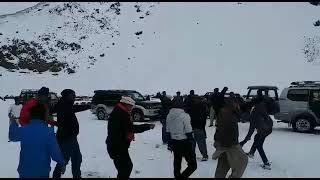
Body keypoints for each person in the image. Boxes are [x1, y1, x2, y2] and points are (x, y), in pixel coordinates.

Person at [9, 103, 66, 178]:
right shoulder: (48, 132)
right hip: (42, 172)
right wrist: (62, 163)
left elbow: (12, 136)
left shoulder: (24, 130)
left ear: (30, 116)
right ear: (43, 116)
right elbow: (55, 152)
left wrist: (13, 123)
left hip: (25, 171)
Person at [106, 96, 155, 179]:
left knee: (123, 169)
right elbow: (131, 128)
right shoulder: (121, 114)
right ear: (126, 104)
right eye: (131, 106)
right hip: (118, 147)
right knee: (126, 168)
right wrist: (147, 126)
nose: (132, 108)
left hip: (116, 146)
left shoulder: (119, 111)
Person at [52, 89, 91, 178]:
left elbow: (74, 109)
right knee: (65, 159)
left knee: (75, 159)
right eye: (72, 96)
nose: (74, 97)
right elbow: (75, 108)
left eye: (74, 96)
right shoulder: (63, 105)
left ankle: (75, 176)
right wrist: (88, 106)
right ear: (66, 96)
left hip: (70, 138)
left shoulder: (64, 104)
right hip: (66, 138)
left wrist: (88, 106)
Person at [212, 87, 248, 178]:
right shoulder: (227, 115)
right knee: (243, 160)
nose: (238, 107)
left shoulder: (226, 112)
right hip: (229, 144)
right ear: (234, 104)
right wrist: (228, 145)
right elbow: (226, 130)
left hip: (224, 143)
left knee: (224, 162)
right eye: (237, 105)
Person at [239, 89, 273, 170]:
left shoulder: (253, 116)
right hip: (268, 127)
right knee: (256, 138)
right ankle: (251, 153)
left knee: (259, 145)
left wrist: (243, 142)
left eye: (243, 119)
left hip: (264, 130)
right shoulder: (260, 105)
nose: (243, 121)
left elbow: (250, 132)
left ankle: (266, 163)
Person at [166, 99, 197, 178]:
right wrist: (192, 142)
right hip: (184, 142)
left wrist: (169, 143)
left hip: (174, 142)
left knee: (177, 163)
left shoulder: (169, 115)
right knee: (193, 165)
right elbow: (188, 131)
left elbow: (168, 130)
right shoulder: (185, 116)